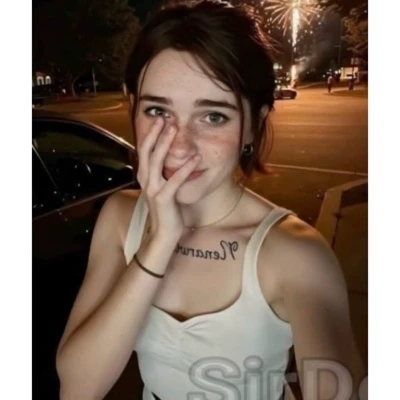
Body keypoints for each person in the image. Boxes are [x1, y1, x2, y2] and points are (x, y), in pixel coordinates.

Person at [55, 1, 366, 399]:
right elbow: (79, 387)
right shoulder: (121, 217)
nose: (179, 146)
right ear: (133, 109)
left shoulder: (294, 253)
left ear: (253, 124)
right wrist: (160, 241)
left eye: (213, 116)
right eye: (157, 110)